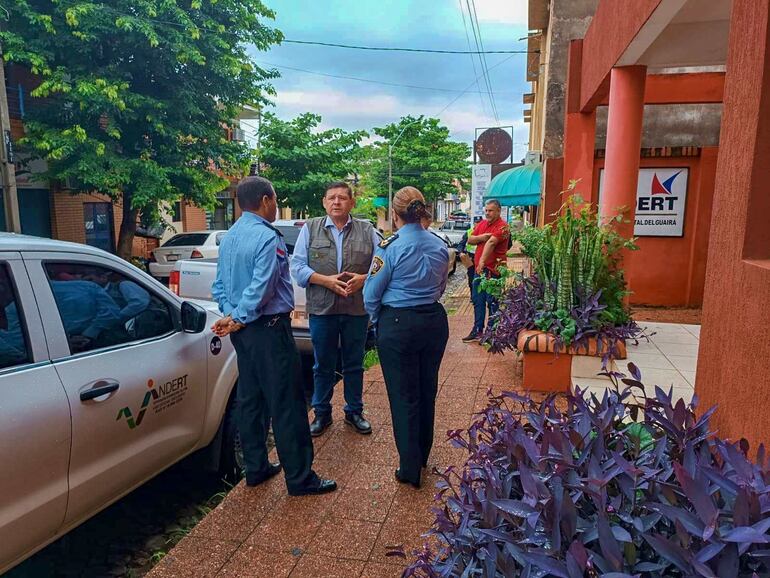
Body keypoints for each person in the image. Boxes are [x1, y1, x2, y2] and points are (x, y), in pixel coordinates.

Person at [211, 176, 336, 497]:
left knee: (250, 400)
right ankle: (300, 478)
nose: (276, 204)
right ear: (265, 200)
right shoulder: (267, 238)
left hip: (245, 334)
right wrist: (237, 317)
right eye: (275, 199)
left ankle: (256, 468)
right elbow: (263, 287)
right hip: (269, 331)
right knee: (287, 404)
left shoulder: (230, 237)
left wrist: (232, 317)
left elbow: (220, 287)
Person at [364, 186, 449, 489]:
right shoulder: (439, 245)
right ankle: (422, 455)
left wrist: (378, 322)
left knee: (403, 396)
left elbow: (371, 294)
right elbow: (441, 287)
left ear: (395, 214)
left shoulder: (390, 246)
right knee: (427, 390)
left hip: (398, 324)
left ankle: (409, 469)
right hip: (433, 321)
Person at [290, 181, 381, 437]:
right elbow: (297, 267)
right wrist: (326, 281)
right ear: (324, 202)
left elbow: (382, 262)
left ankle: (354, 411)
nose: (336, 202)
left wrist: (364, 279)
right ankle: (321, 413)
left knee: (354, 363)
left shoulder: (367, 229)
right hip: (322, 309)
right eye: (332, 198)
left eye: (342, 198)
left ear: (352, 203)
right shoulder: (310, 229)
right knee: (322, 365)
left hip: (356, 309)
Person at [462, 200, 510, 343]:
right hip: (480, 271)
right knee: (478, 300)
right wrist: (482, 237)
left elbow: (491, 242)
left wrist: (482, 261)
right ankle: (477, 330)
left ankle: (492, 332)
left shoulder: (503, 227)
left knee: (493, 302)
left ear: (498, 211)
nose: (487, 213)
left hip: (493, 271)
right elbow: (470, 239)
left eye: (491, 211)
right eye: (486, 210)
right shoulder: (482, 224)